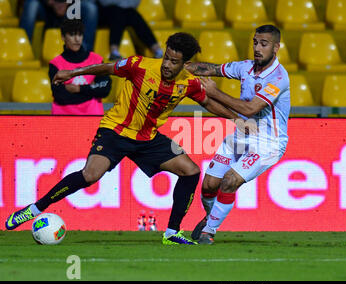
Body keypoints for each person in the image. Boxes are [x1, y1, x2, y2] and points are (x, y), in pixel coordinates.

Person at [5, 32, 246, 245]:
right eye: (166, 58)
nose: (167, 65)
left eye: (174, 62)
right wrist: (72, 73)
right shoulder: (139, 65)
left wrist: (236, 119)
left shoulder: (188, 83)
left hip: (149, 139)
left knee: (191, 171)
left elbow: (208, 103)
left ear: (185, 64)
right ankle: (34, 209)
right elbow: (106, 68)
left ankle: (172, 232)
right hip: (115, 131)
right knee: (90, 175)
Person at [184, 25, 291, 244]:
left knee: (229, 181)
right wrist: (180, 66)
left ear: (276, 47)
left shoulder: (279, 78)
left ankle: (209, 232)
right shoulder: (245, 68)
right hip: (242, 136)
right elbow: (211, 69)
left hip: (267, 144)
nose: (258, 48)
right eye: (255, 42)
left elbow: (250, 109)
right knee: (208, 186)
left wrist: (214, 92)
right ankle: (211, 218)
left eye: (264, 44)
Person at [49, 18, 111, 115]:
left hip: (92, 117)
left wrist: (79, 89)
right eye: (72, 34)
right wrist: (91, 90)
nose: (77, 39)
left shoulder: (97, 60)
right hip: (62, 118)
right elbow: (60, 96)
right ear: (63, 37)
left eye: (80, 34)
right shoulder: (55, 63)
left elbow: (105, 89)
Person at [19, 0, 98, 52]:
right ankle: (22, 47)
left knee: (90, 8)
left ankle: (84, 51)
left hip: (71, 7)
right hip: (47, 8)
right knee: (31, 4)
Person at [97, 0, 163, 60]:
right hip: (105, 12)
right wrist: (123, 4)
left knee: (134, 15)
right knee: (117, 13)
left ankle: (157, 50)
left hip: (126, 11)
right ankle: (114, 51)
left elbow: (135, 3)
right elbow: (104, 2)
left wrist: (121, 4)